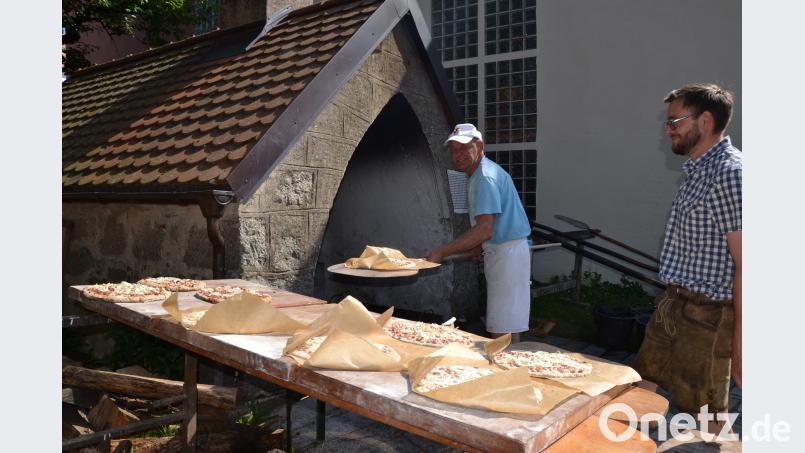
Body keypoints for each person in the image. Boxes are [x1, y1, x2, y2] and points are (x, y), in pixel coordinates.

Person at [633, 83, 742, 432]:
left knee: (706, 416)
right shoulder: (696, 171)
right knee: (641, 387)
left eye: (674, 121)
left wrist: (742, 343)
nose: (668, 130)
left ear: (705, 121)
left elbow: (749, 265)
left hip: (711, 316)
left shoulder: (731, 174)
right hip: (673, 303)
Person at [425, 124, 532, 342]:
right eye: (454, 149)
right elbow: (487, 225)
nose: (458, 155)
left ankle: (508, 372)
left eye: (464, 148)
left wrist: (442, 251)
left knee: (503, 328)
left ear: (480, 146)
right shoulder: (479, 174)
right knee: (506, 322)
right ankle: (510, 367)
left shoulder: (485, 177)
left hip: (507, 255)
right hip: (503, 251)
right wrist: (477, 247)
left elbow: (484, 229)